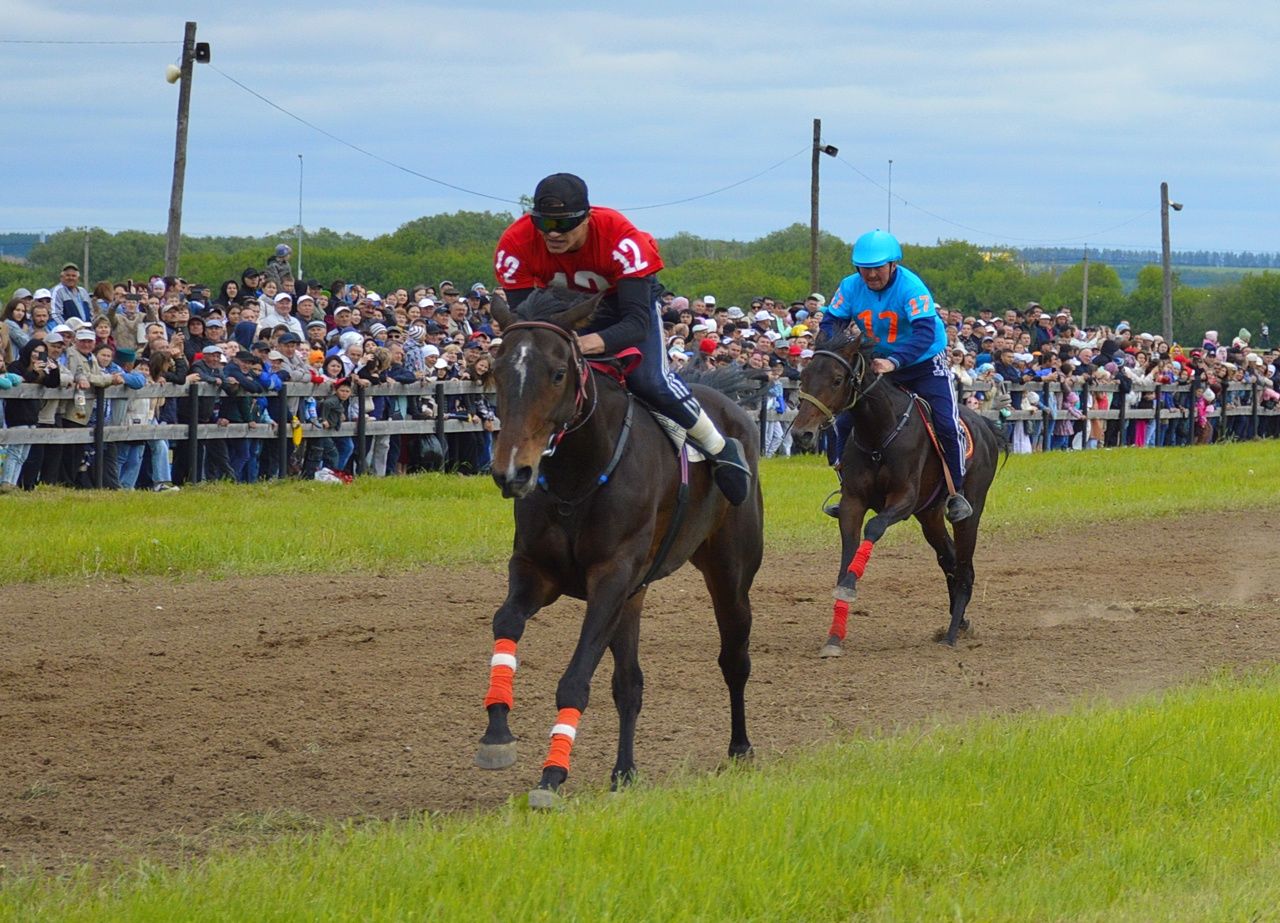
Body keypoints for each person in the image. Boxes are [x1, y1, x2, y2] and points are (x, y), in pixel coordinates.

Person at [492, 172, 750, 504]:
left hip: (624, 310)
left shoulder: (621, 238)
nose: (553, 234)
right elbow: (527, 324)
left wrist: (583, 345)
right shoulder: (514, 245)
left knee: (648, 379)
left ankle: (719, 447)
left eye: (564, 224)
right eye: (544, 224)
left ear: (587, 217)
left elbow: (636, 324)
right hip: (561, 318)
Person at [819, 229, 973, 522]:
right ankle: (846, 489)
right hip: (877, 363)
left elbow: (926, 332)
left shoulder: (911, 287)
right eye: (865, 268)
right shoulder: (850, 287)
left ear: (893, 265)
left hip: (924, 362)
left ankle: (957, 493)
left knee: (945, 422)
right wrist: (833, 348)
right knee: (842, 421)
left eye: (878, 268)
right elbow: (831, 321)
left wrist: (896, 360)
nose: (871, 275)